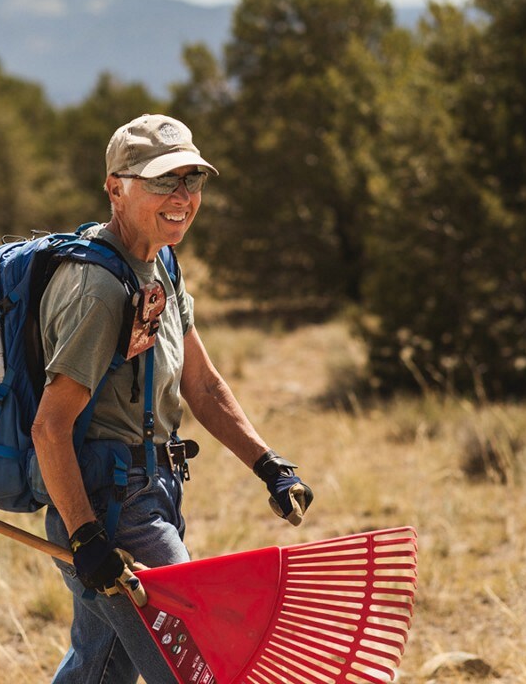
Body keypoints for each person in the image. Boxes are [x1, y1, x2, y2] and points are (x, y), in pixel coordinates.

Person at [30, 113, 314, 683]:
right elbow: (49, 428)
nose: (183, 196)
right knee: (196, 662)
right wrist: (87, 536)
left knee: (100, 670)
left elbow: (203, 385)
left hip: (153, 489)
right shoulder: (98, 289)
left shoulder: (161, 264)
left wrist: (270, 466)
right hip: (110, 507)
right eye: (163, 181)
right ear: (116, 188)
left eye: (192, 180)